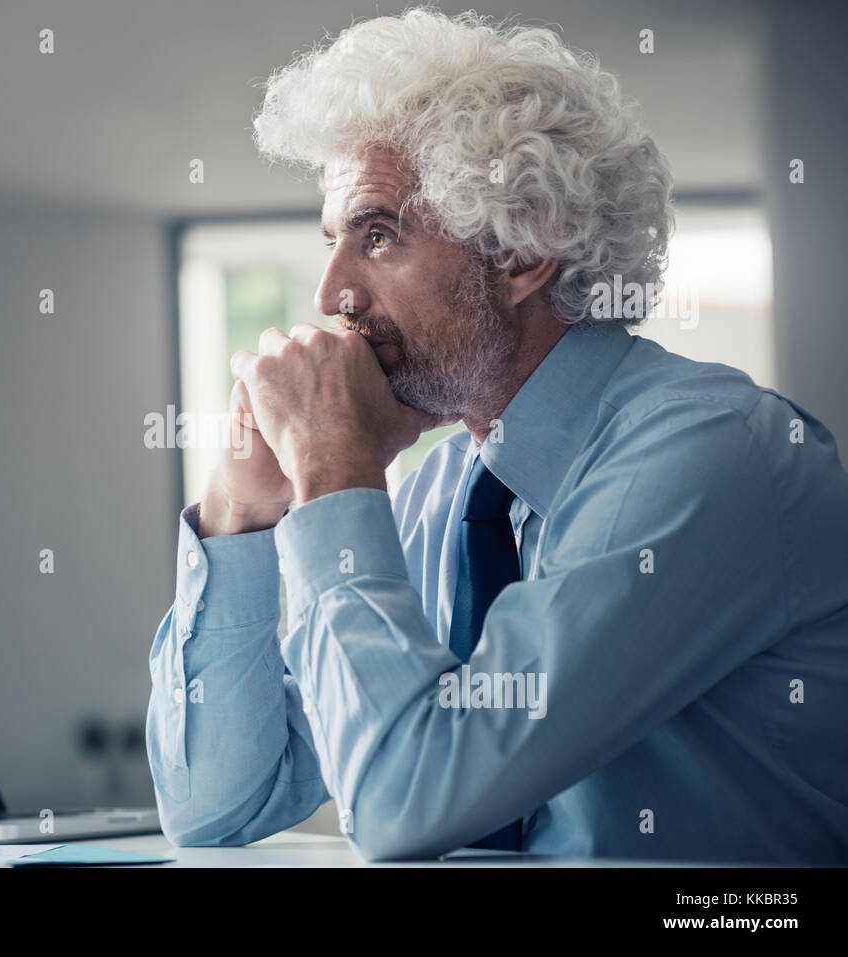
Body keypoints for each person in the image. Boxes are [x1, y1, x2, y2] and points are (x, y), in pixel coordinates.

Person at [144, 7, 848, 863]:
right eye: (332, 242)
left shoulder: (711, 455)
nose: (332, 291)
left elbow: (407, 805)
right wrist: (240, 509)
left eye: (377, 236)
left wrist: (332, 465)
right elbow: (218, 806)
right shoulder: (439, 498)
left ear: (522, 249)